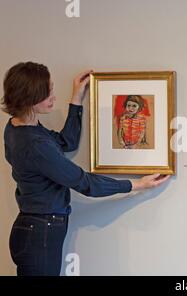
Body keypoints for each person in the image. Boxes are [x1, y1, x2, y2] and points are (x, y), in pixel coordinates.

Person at [2, 62, 170, 276]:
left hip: (33, 228)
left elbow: (66, 142)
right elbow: (84, 182)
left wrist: (76, 98)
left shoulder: (17, 126)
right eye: (47, 93)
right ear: (29, 99)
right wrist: (136, 184)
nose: (53, 96)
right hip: (40, 234)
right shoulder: (34, 144)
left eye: (51, 89)